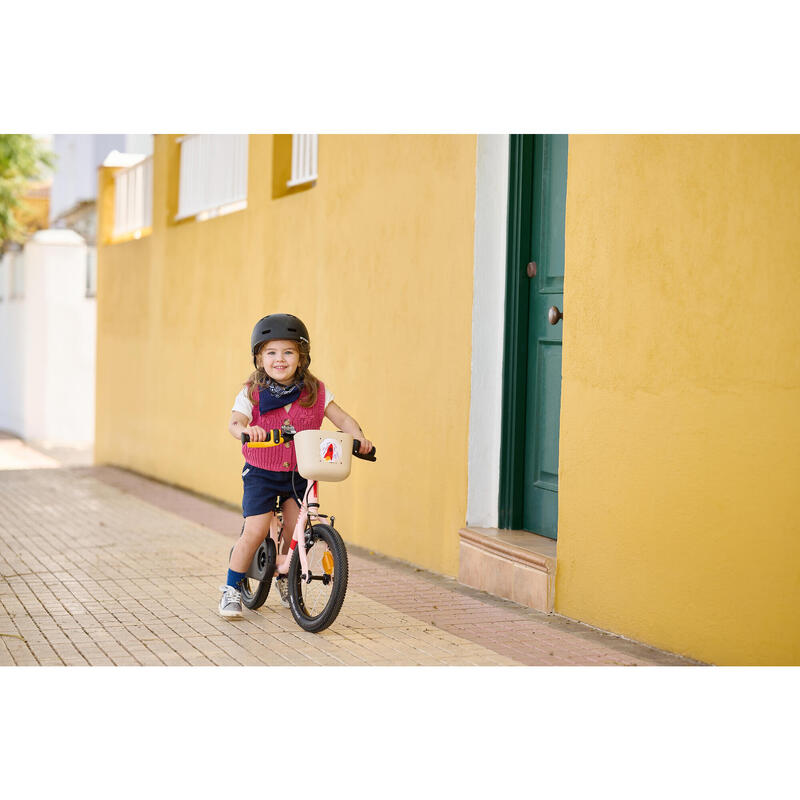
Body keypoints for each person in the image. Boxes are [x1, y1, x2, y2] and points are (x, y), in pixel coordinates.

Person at [219, 313, 373, 619]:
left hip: (299, 473)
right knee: (256, 529)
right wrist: (247, 431)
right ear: (259, 358)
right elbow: (235, 422)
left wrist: (359, 438)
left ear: (301, 357)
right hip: (262, 472)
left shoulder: (315, 391)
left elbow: (341, 419)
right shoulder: (253, 391)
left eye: (288, 352)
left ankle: (284, 575)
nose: (280, 359)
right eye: (271, 353)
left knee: (296, 529)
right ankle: (231, 589)